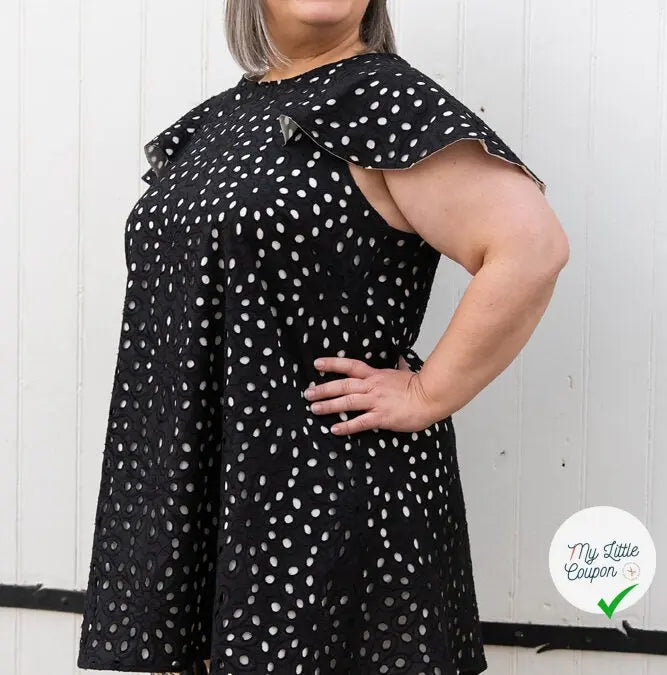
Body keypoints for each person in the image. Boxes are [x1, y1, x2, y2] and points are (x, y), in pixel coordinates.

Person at [77, 1, 568, 674]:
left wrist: (427, 392)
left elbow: (530, 247)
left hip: (325, 493)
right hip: (205, 489)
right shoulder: (225, 118)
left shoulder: (382, 100)